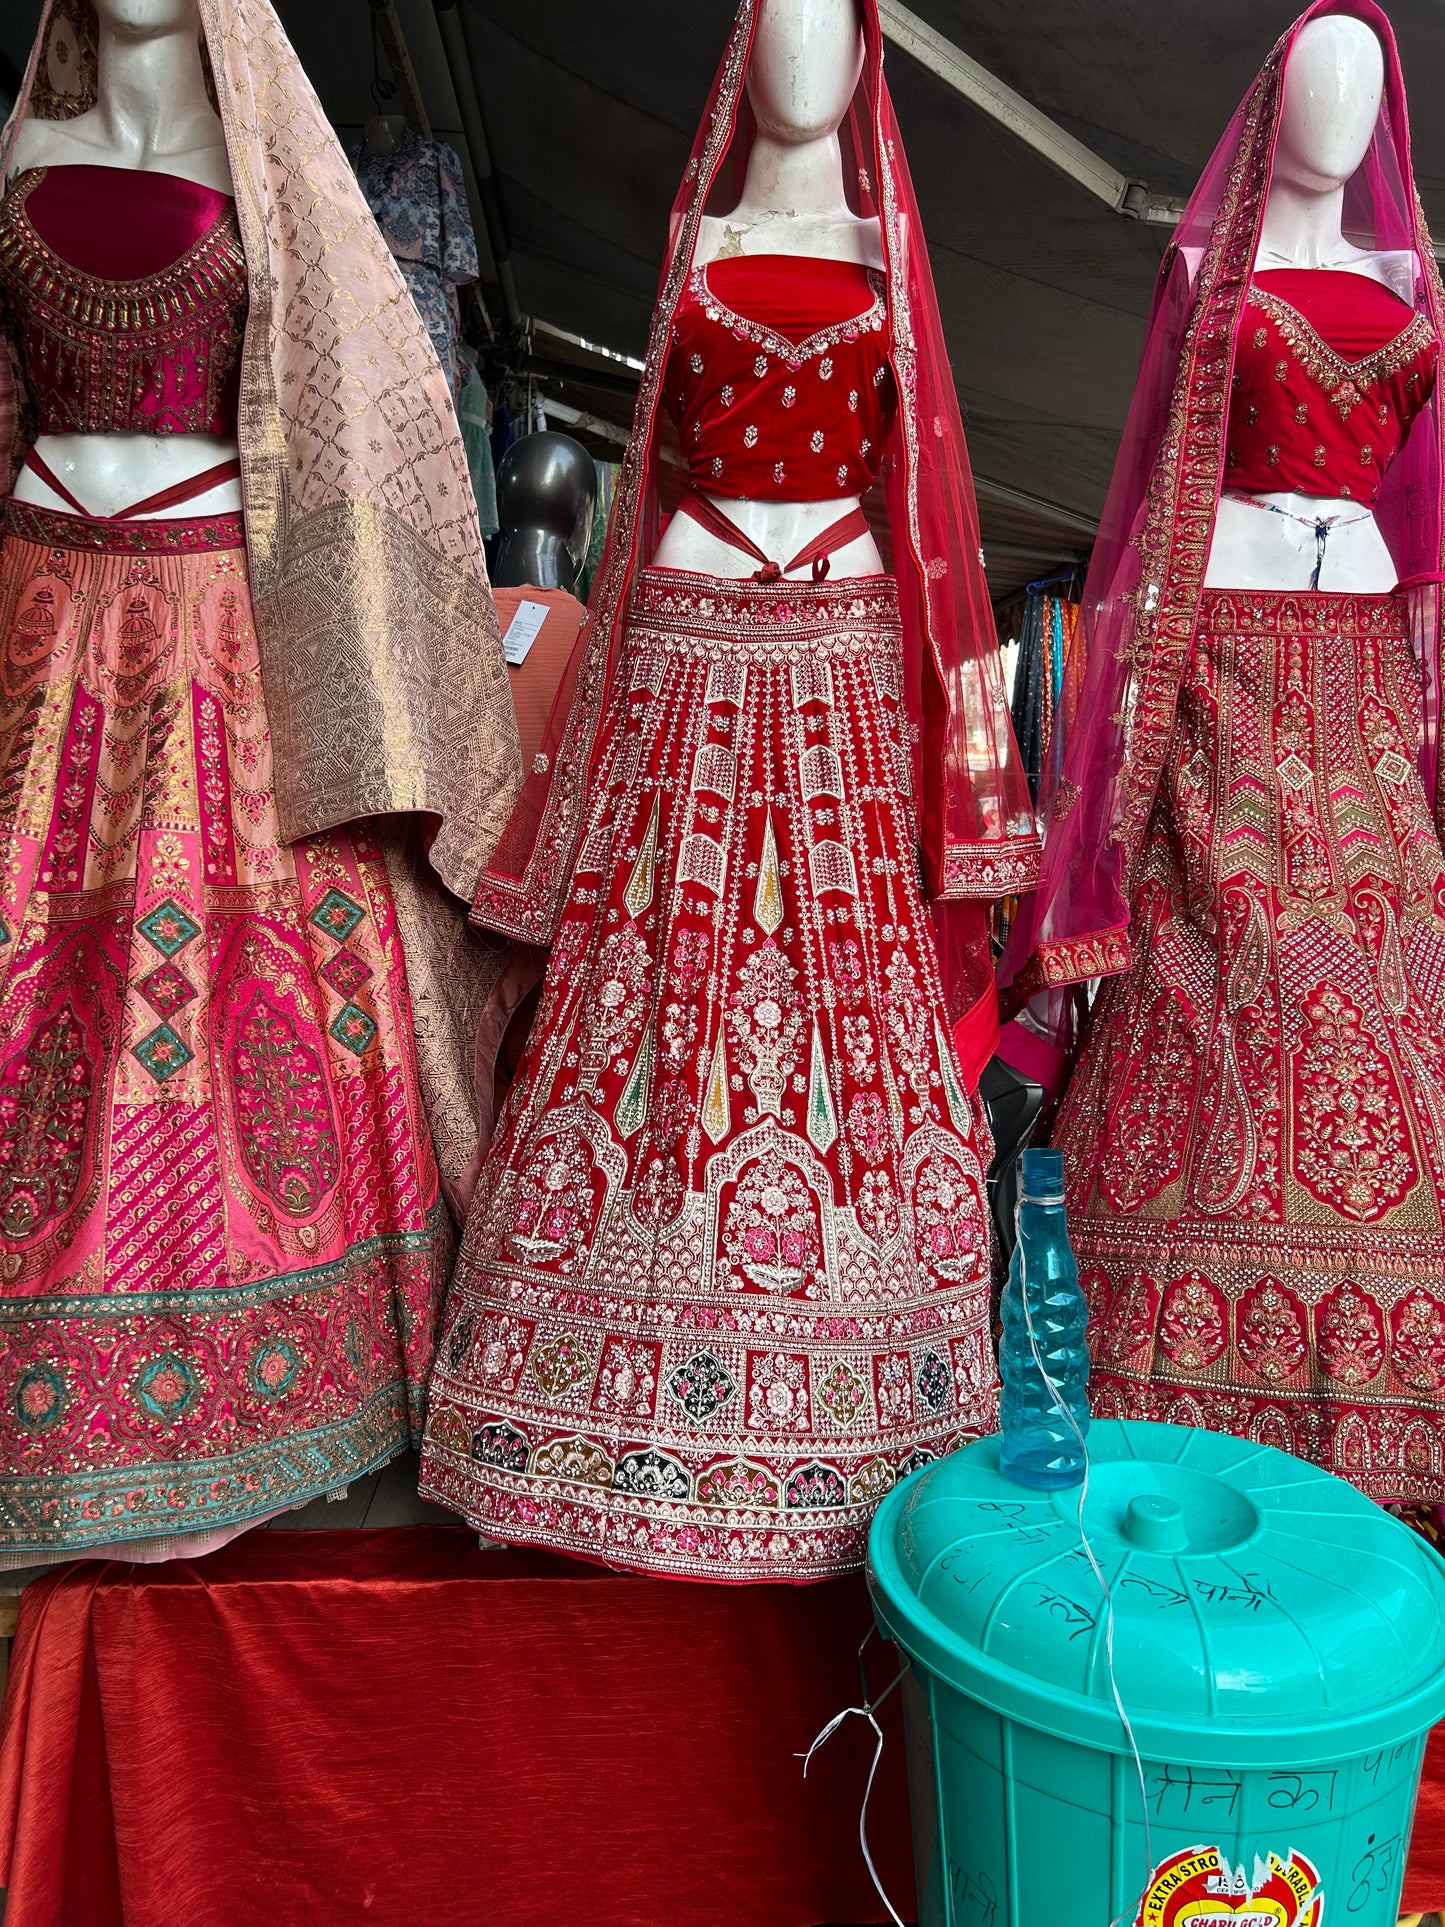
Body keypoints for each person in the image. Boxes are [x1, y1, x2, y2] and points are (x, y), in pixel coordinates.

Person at [420, 0, 1039, 1580]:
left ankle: (854, 1397)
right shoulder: (692, 251)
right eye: (780, 28)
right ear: (742, 52)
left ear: (862, 64)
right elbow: (653, 493)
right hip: (689, 634)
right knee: (653, 975)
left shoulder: (889, 256)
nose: (801, 61)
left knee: (837, 983)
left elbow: (930, 505)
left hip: (835, 636)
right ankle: (578, 1399)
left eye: (831, 32)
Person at [0, 0, 520, 1560]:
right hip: (33, 620)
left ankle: (246, 1391)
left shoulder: (277, 166)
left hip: (223, 634)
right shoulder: (21, 143)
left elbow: (380, 421)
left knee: (232, 996)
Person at [1005, 0, 1445, 1508]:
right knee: (1234, 951)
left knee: (1388, 968)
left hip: (1365, 667)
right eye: (1315, 82)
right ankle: (1186, 1355)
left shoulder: (1409, 275)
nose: (1339, 112)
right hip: (1231, 643)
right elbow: (1153, 485)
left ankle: (1396, 1379)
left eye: (1365, 89)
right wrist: (1140, 688)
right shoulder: (1207, 267)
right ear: (1273, 101)